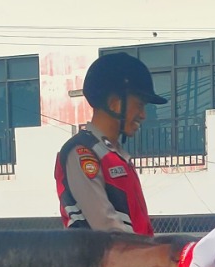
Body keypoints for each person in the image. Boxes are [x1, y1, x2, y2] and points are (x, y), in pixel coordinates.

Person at [55, 52, 166, 234]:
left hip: (136, 252)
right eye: (139, 105)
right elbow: (107, 227)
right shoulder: (83, 152)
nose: (143, 115)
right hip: (109, 254)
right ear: (114, 103)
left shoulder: (115, 155)